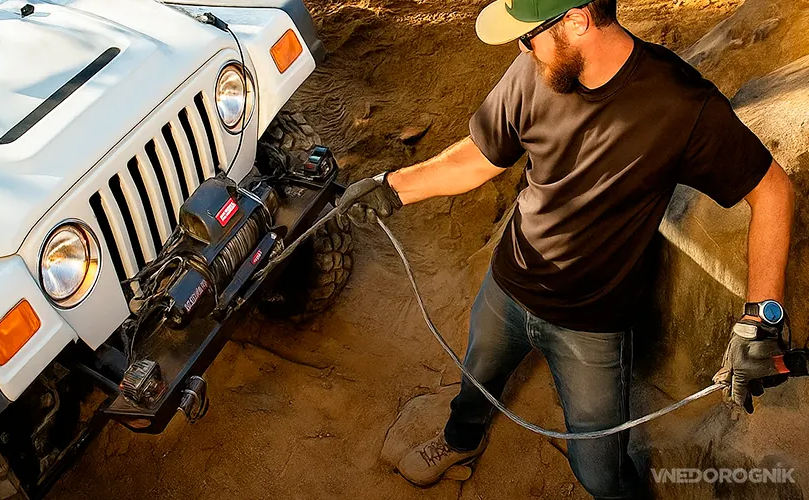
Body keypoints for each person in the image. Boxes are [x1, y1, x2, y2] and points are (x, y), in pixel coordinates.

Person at [338, 0, 796, 497]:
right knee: (476, 379)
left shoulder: (683, 105)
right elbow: (480, 156)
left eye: (527, 35)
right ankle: (459, 440)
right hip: (507, 287)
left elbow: (771, 189)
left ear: (576, 21)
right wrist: (392, 184)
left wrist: (762, 316)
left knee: (599, 473)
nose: (520, 48)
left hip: (593, 326)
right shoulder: (535, 70)